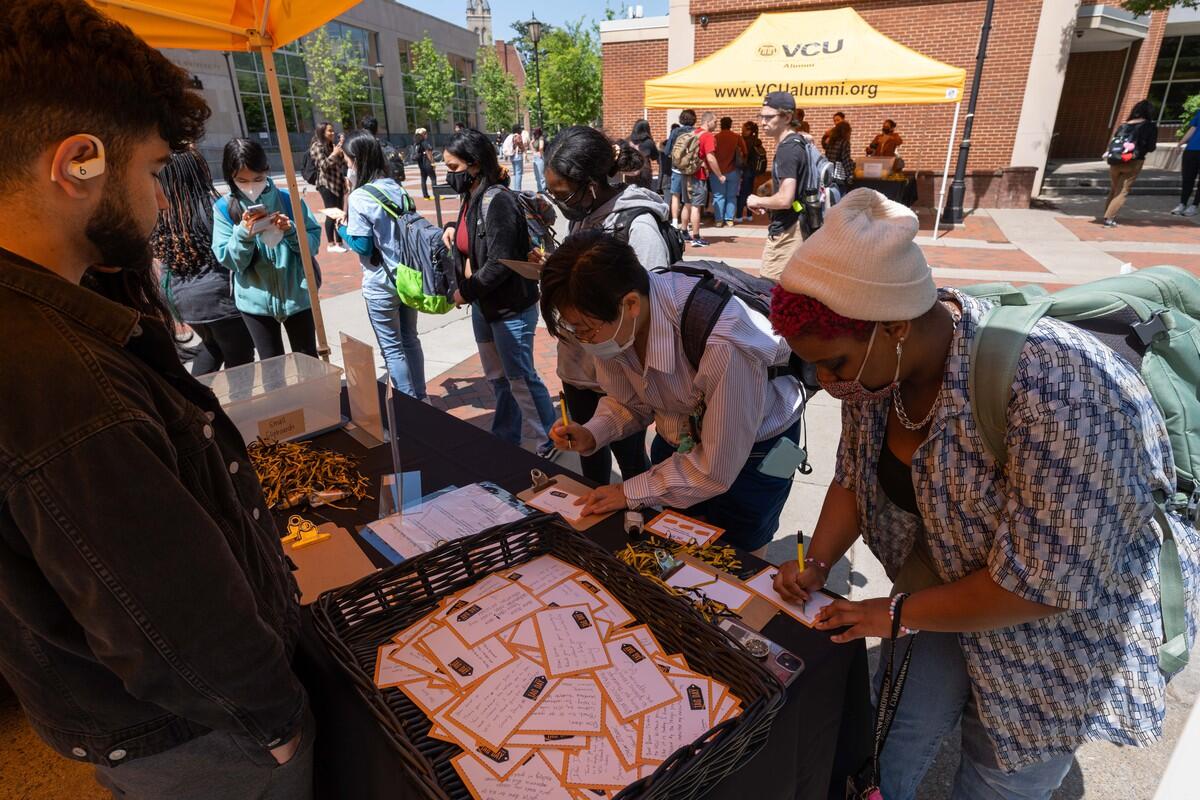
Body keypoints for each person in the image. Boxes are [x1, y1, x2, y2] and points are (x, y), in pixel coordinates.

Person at [769, 187, 1199, 800]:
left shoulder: (1058, 387)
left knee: (999, 778)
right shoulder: (874, 378)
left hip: (1054, 637)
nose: (828, 386)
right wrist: (817, 563)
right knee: (885, 741)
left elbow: (1043, 584)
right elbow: (852, 477)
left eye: (834, 365)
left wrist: (889, 613)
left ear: (894, 326)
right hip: (944, 591)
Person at [0, 2, 314, 797]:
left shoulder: (50, 332)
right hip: (195, 738)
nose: (158, 197)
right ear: (78, 163)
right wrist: (275, 722)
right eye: (149, 170)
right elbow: (173, 622)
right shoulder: (60, 377)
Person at [541, 230, 804, 553]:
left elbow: (715, 469)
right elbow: (630, 401)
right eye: (574, 330)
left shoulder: (723, 341)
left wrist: (628, 491)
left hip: (756, 449)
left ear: (631, 304)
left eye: (586, 329)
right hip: (682, 436)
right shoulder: (614, 325)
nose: (585, 340)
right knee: (678, 540)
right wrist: (593, 433)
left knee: (740, 554)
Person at [542, 125, 674, 484]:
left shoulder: (639, 226)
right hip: (579, 370)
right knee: (589, 453)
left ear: (592, 184)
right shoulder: (585, 216)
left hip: (617, 374)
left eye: (563, 194)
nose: (559, 202)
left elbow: (651, 311)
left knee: (632, 464)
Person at [441, 128, 558, 454]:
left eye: (453, 168)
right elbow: (473, 236)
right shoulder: (471, 194)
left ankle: (550, 439)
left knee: (520, 377)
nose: (449, 175)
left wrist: (465, 291)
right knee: (498, 377)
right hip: (484, 305)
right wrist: (452, 230)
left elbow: (501, 262)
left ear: (474, 165)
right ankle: (507, 436)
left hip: (509, 308)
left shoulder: (498, 200)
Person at [330, 130, 427, 399]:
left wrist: (344, 229)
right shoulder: (396, 188)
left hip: (381, 283)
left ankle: (410, 405)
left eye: (348, 161)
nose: (347, 166)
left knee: (393, 348)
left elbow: (363, 246)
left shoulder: (361, 196)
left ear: (357, 160)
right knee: (411, 340)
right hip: (408, 277)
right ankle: (422, 397)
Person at [212, 138, 323, 359]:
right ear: (230, 177)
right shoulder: (224, 208)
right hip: (254, 303)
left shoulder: (288, 199)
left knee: (308, 359)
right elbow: (230, 260)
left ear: (267, 170)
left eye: (258, 178)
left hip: (298, 296)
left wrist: (290, 230)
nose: (251, 187)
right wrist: (244, 233)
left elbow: (312, 244)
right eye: (242, 180)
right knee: (272, 365)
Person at [151, 147, 255, 375]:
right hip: (218, 298)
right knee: (240, 357)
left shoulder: (162, 211)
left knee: (212, 346)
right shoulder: (212, 208)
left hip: (181, 299)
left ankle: (199, 401)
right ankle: (237, 406)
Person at [748, 92, 813, 282]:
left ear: (787, 117)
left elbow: (785, 199)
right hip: (796, 223)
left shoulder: (788, 149)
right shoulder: (796, 142)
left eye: (769, 117)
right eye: (761, 116)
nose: (762, 122)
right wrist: (767, 192)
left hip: (788, 229)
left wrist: (757, 199)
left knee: (769, 287)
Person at [1103, 100, 1158, 228]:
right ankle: (1109, 218)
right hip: (1133, 161)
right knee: (1122, 191)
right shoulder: (1150, 126)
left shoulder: (1124, 125)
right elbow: (1151, 147)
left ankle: (1107, 214)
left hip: (1115, 160)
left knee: (1114, 189)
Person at [308, 122, 348, 253]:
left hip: (337, 182)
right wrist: (335, 154)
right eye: (329, 131)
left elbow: (341, 164)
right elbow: (323, 166)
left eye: (333, 131)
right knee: (331, 213)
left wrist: (341, 151)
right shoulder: (316, 146)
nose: (333, 133)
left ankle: (340, 242)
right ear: (322, 132)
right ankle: (331, 244)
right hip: (326, 184)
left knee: (340, 212)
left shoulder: (332, 146)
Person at [709, 116, 747, 228]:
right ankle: (729, 219)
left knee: (718, 196)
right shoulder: (736, 137)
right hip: (733, 171)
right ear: (731, 125)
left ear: (721, 125)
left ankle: (719, 220)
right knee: (731, 196)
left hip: (717, 172)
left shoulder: (715, 137)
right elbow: (745, 152)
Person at [688, 111, 718, 246]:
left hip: (687, 174)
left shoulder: (693, 133)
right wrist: (720, 175)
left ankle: (686, 233)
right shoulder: (707, 136)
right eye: (715, 121)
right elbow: (711, 158)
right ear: (707, 121)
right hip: (698, 175)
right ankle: (696, 237)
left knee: (688, 204)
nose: (716, 124)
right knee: (696, 206)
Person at [666, 110, 696, 232]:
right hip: (691, 170)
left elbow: (667, 151)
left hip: (677, 169)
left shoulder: (675, 132)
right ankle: (686, 222)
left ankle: (674, 222)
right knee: (688, 198)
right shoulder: (697, 132)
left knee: (675, 196)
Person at [736, 120, 766, 223]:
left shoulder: (746, 142)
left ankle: (739, 215)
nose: (742, 131)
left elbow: (743, 156)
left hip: (745, 170)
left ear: (749, 130)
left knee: (742, 194)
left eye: (743, 130)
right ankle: (749, 215)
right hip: (753, 171)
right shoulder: (756, 141)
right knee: (749, 193)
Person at [360, 115, 403, 183]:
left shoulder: (361, 148)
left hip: (373, 185)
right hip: (392, 183)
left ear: (363, 130)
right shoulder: (387, 145)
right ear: (377, 130)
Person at [1174, 106, 1200, 216]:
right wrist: (1180, 143)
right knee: (1187, 178)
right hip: (1192, 149)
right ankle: (1182, 204)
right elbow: (1193, 129)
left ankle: (1194, 205)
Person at [624, 119, 659, 191]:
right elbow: (655, 156)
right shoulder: (648, 142)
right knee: (644, 192)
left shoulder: (628, 140)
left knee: (630, 192)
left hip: (630, 170)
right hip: (644, 170)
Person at [825, 119, 855, 192]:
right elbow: (846, 160)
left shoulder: (831, 141)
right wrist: (850, 175)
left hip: (829, 173)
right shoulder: (844, 142)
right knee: (841, 197)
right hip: (839, 175)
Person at [412, 127, 437, 199]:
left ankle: (425, 196)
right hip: (427, 163)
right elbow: (429, 153)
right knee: (433, 178)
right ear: (423, 134)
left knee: (423, 179)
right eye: (426, 133)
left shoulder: (416, 144)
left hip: (421, 164)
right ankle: (436, 195)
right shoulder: (424, 142)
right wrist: (433, 163)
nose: (427, 135)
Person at [502, 124, 526, 192]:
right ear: (518, 129)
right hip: (518, 155)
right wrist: (523, 148)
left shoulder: (511, 136)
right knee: (519, 173)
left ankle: (516, 189)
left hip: (512, 156)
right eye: (520, 129)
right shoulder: (518, 136)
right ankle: (518, 189)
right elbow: (519, 142)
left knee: (516, 173)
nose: (521, 130)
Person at [659, 123, 679, 197]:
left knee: (668, 197)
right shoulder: (681, 144)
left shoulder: (665, 144)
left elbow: (661, 168)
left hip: (667, 174)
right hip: (677, 173)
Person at [529, 127, 547, 193]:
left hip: (539, 157)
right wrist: (532, 142)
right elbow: (531, 145)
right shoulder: (536, 139)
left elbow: (541, 147)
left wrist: (541, 155)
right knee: (537, 176)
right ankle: (540, 190)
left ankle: (543, 190)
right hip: (536, 157)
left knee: (541, 176)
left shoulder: (541, 138)